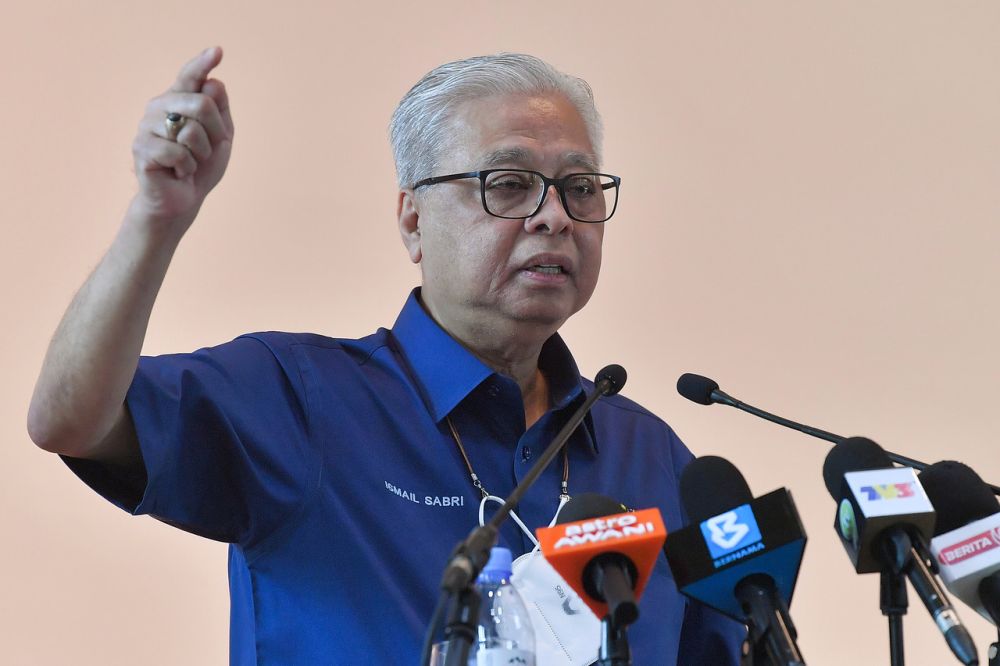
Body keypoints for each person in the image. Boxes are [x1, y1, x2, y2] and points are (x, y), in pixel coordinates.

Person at [28, 47, 745, 664]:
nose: (554, 214)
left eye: (579, 188)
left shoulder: (653, 457)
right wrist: (155, 220)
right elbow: (69, 421)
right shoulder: (302, 402)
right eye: (509, 184)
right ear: (413, 220)